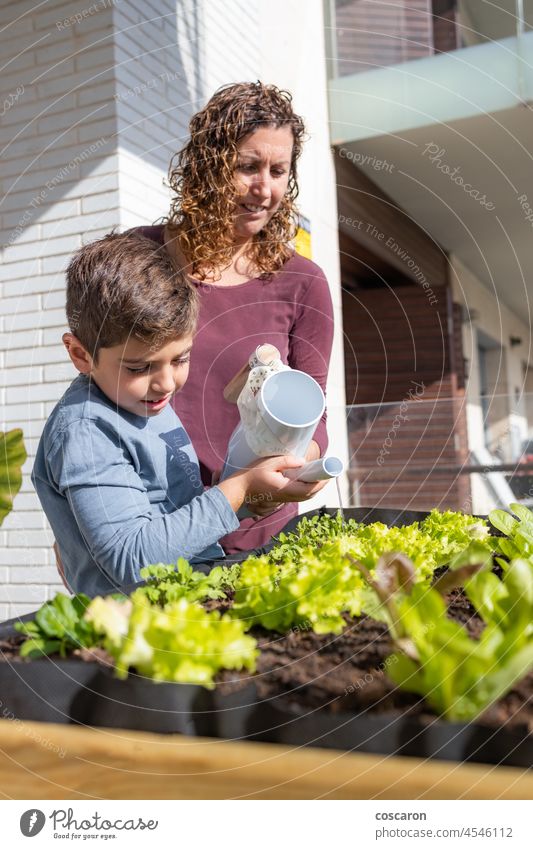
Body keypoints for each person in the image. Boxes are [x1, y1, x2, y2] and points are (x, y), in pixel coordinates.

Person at [32, 232, 326, 597]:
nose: (166, 383)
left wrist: (247, 500)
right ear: (80, 355)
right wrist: (237, 490)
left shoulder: (140, 402)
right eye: (140, 368)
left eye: (181, 359)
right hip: (134, 634)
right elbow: (133, 561)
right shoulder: (86, 431)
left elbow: (169, 512)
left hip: (185, 606)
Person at [134, 81, 334, 553]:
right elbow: (97, 386)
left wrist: (303, 464)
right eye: (247, 167)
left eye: (278, 171)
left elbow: (314, 408)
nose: (264, 189)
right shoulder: (141, 256)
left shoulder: (303, 282)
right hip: (150, 522)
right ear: (208, 166)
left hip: (256, 528)